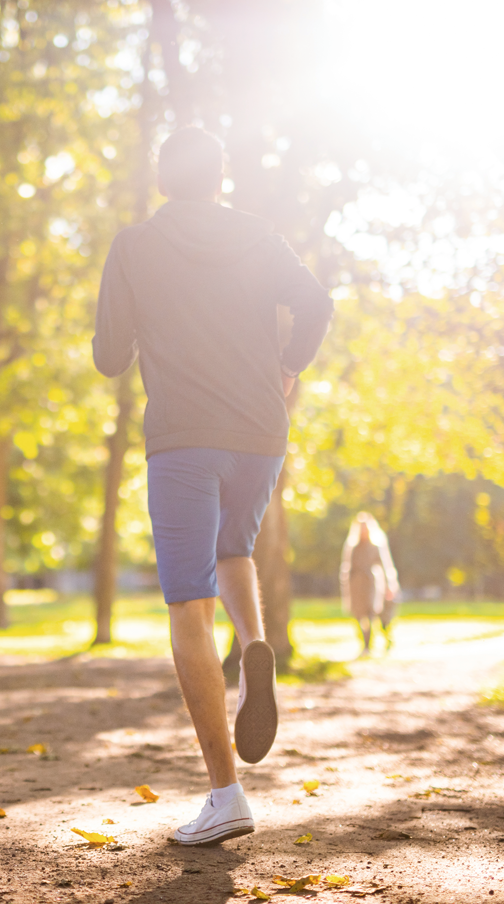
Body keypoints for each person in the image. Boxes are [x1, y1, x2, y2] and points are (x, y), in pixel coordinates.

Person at [92, 127, 333, 847]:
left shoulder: (134, 245)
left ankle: (226, 794)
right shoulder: (260, 235)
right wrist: (289, 365)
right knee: (237, 548)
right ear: (221, 181)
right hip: (260, 432)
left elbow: (108, 357)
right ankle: (254, 640)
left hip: (183, 440)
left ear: (165, 180)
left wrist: (143, 322)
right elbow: (317, 304)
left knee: (187, 607)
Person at [340, 512, 400, 657]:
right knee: (360, 615)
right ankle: (366, 645)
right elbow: (347, 568)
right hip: (356, 585)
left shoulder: (375, 546)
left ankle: (380, 642)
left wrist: (390, 585)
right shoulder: (353, 547)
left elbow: (385, 566)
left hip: (372, 584)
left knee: (373, 614)